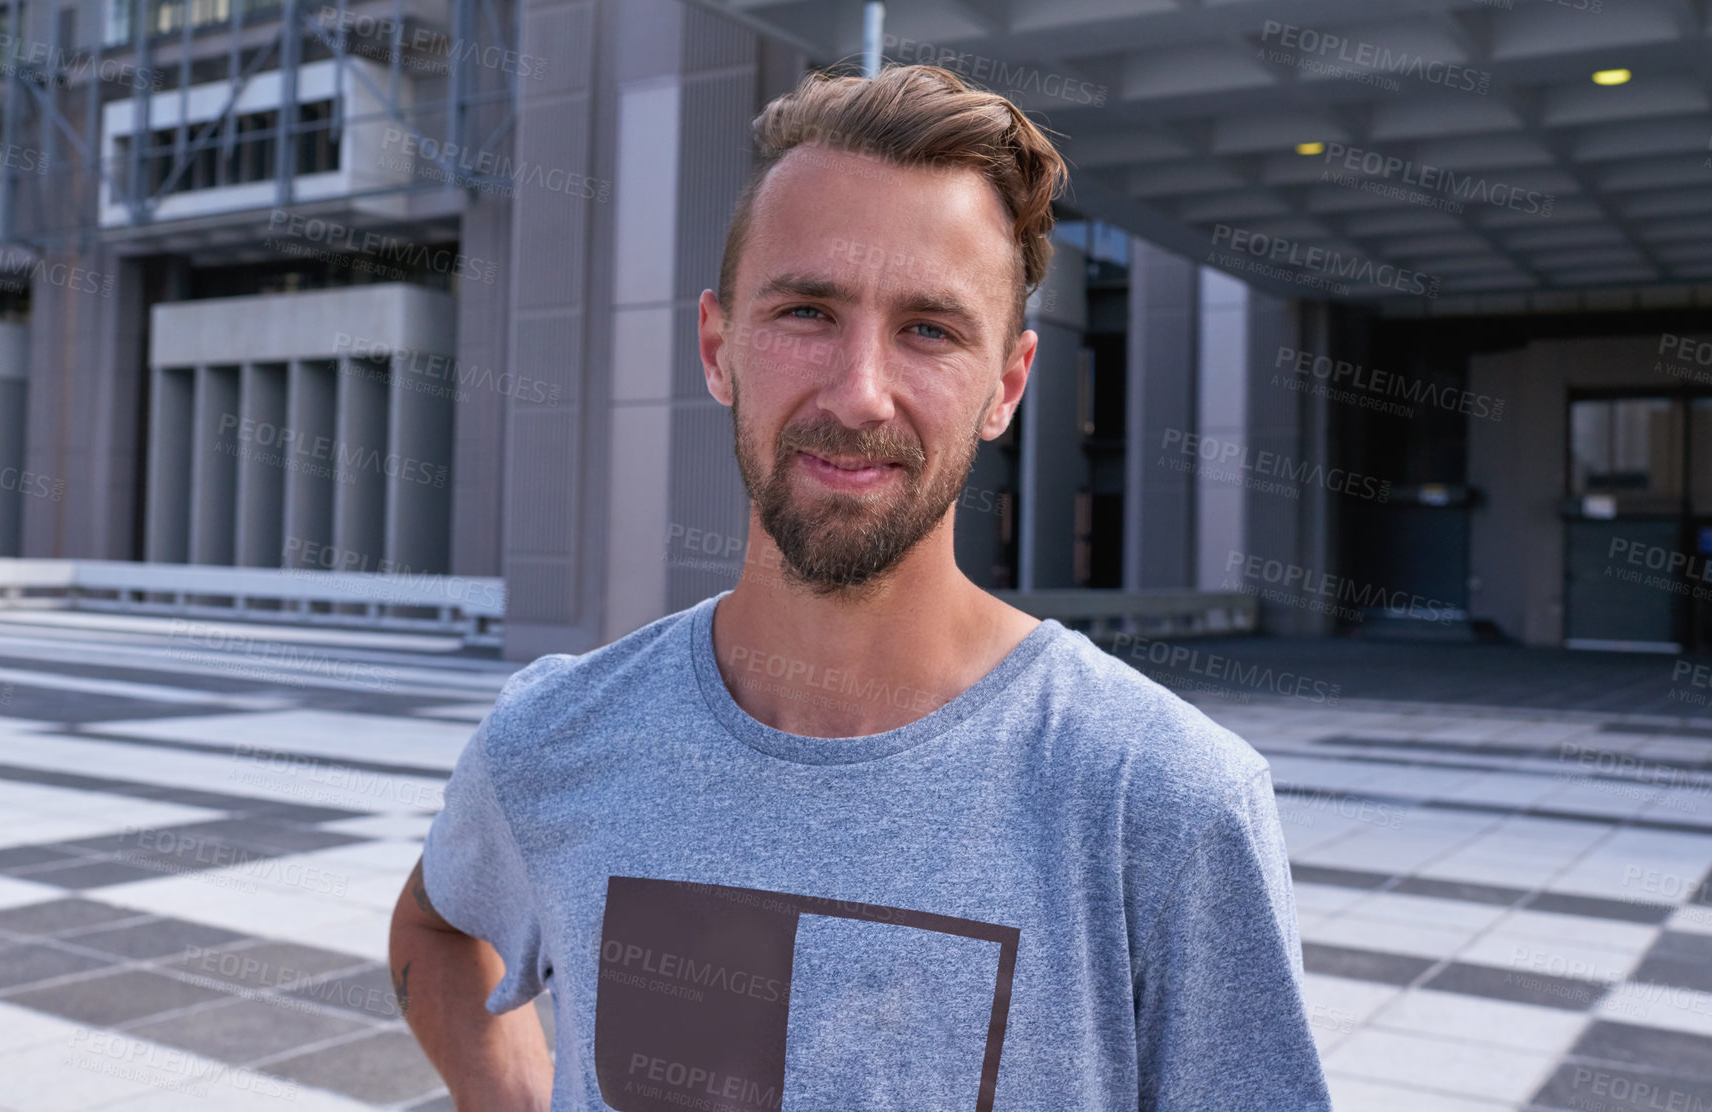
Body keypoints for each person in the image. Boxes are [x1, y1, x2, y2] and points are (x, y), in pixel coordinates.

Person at [388, 61, 1333, 1112]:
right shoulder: (554, 736)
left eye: (928, 329)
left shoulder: (1164, 802)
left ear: (1005, 386)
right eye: (805, 311)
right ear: (717, 346)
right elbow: (435, 928)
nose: (858, 392)